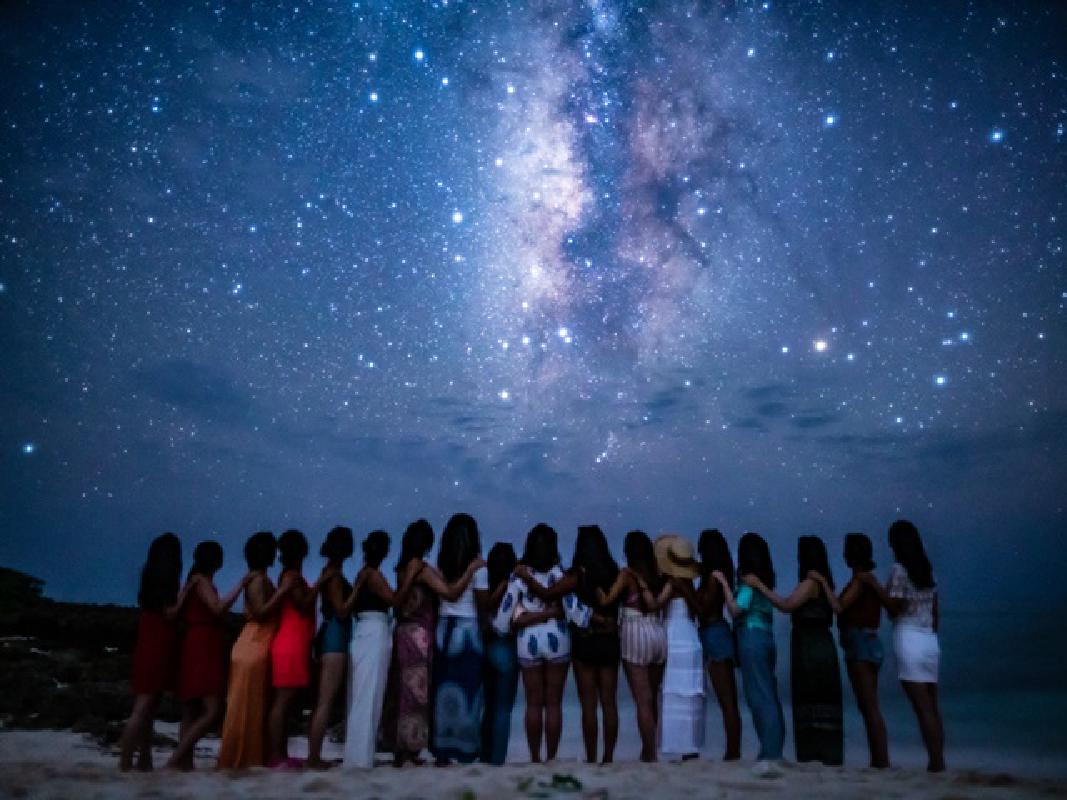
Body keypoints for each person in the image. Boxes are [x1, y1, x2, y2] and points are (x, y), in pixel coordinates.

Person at [380, 519, 485, 767]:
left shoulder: (402, 568)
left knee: (401, 690)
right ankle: (409, 749)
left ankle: (401, 749)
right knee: (416, 694)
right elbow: (450, 593)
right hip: (419, 635)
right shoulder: (422, 569)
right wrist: (471, 569)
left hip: (402, 632)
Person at [518, 524, 620, 764]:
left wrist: (526, 578)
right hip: (608, 641)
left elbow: (550, 594)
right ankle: (607, 757)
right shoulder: (614, 572)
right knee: (608, 703)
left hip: (584, 642)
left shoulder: (575, 576)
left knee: (586, 705)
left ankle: (586, 757)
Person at [495, 523, 591, 763]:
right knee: (554, 703)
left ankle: (535, 757)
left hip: (527, 639)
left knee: (533, 703)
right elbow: (574, 611)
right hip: (557, 637)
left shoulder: (519, 576)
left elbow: (504, 617)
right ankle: (551, 756)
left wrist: (508, 625)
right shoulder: (558, 574)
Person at [744, 536, 843, 765]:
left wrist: (759, 585)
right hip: (822, 642)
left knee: (810, 696)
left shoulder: (809, 583)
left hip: (809, 645)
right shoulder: (822, 583)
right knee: (823, 697)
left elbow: (786, 605)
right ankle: (828, 753)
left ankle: (815, 753)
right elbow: (838, 608)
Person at [864, 520, 944, 772]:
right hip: (930, 640)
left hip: (909, 637)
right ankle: (938, 759)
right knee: (932, 706)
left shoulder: (900, 570)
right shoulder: (927, 571)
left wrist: (875, 586)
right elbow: (935, 613)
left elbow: (894, 608)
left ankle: (936, 762)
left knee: (922, 707)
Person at [167, 541, 249, 770]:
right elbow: (217, 608)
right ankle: (176, 760)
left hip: (195, 641)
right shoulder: (201, 581)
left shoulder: (194, 581)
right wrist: (240, 585)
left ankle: (185, 763)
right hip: (203, 643)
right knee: (211, 710)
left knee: (191, 708)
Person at [218, 531, 292, 769]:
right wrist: (282, 593)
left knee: (245, 704)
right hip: (256, 642)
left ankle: (245, 756)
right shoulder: (258, 580)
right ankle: (244, 758)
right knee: (249, 704)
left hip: (251, 640)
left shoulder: (253, 578)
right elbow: (260, 612)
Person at [714, 532, 785, 767]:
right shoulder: (765, 580)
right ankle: (774, 748)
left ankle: (770, 752)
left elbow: (736, 609)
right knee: (769, 692)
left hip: (750, 635)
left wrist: (725, 585)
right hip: (766, 635)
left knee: (759, 695)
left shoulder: (749, 582)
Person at [596, 530, 667, 763]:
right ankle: (649, 750)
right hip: (657, 632)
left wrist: (597, 589)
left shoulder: (627, 575)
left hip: (634, 632)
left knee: (642, 700)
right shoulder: (658, 575)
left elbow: (608, 600)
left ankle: (650, 753)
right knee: (652, 698)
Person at [119, 532, 184, 771]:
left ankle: (143, 758)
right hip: (160, 641)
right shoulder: (167, 581)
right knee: (144, 706)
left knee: (147, 704)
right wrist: (185, 594)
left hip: (147, 639)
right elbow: (170, 614)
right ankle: (126, 760)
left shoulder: (149, 579)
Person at [430, 513, 490, 765]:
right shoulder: (479, 568)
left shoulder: (440, 567)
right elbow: (483, 606)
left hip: (444, 629)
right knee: (469, 691)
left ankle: (442, 749)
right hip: (468, 630)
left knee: (443, 690)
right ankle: (465, 749)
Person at [266, 529, 320, 768]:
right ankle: (276, 755)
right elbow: (303, 605)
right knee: (282, 701)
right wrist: (319, 585)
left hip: (293, 640)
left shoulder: (290, 575)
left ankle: (280, 753)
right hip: (291, 641)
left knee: (285, 702)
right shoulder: (291, 577)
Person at [837, 532, 890, 768]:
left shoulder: (860, 580)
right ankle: (879, 757)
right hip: (869, 640)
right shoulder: (869, 580)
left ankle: (880, 759)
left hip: (860, 641)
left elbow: (840, 606)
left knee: (869, 706)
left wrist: (824, 586)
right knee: (870, 705)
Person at [306, 526, 355, 770]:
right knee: (325, 700)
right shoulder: (334, 576)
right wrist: (358, 591)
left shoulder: (328, 572)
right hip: (335, 635)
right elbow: (341, 609)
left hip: (329, 634)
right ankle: (314, 757)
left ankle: (314, 754)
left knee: (323, 699)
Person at [654, 534, 705, 761]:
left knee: (673, 689)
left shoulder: (673, 584)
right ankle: (689, 745)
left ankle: (676, 743)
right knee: (688, 691)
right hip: (689, 635)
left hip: (675, 635)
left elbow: (657, 605)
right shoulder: (689, 584)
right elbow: (698, 611)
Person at [695, 529, 742, 761]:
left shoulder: (713, 577)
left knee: (726, 699)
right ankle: (732, 749)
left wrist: (687, 592)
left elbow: (703, 609)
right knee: (727, 698)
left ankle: (733, 751)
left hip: (714, 631)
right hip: (715, 631)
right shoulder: (717, 574)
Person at [480, 542, 520, 765]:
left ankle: (484, 755)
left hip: (485, 643)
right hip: (506, 644)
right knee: (503, 708)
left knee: (488, 705)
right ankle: (497, 759)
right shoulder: (513, 585)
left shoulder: (485, 582)